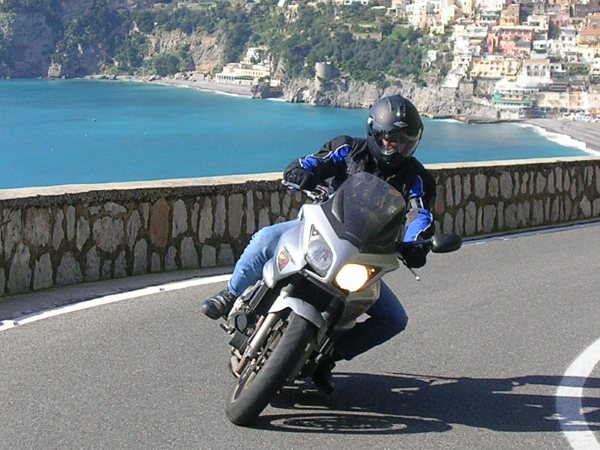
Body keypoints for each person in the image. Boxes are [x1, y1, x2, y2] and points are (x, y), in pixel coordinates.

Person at [201, 94, 436, 393]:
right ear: (375, 133)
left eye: (404, 141)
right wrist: (301, 172)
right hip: (320, 231)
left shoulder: (418, 178)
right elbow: (312, 161)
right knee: (266, 239)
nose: (396, 146)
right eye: (391, 139)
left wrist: (417, 243)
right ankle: (231, 293)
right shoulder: (348, 149)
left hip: (365, 255)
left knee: (394, 320)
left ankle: (327, 358)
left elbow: (421, 214)